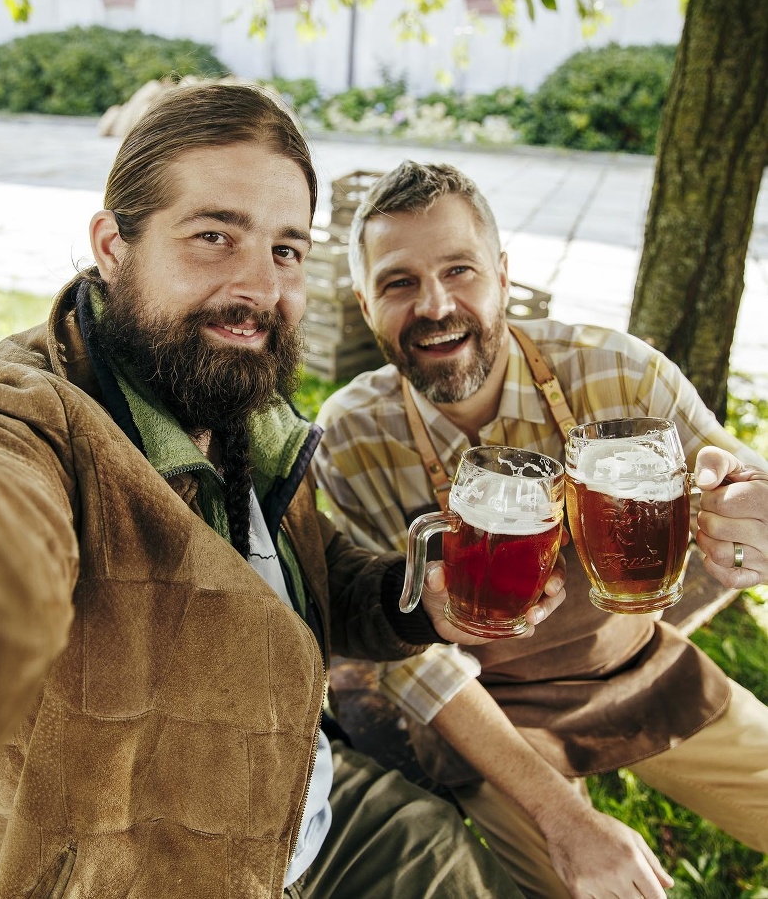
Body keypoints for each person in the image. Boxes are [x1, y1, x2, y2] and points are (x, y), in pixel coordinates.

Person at [0, 86, 554, 899]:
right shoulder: (24, 410)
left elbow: (308, 568)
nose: (258, 289)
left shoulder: (235, 399)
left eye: (284, 250)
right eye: (214, 236)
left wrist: (415, 604)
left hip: (312, 807)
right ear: (113, 246)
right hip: (162, 874)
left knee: (443, 855)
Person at [313, 160, 768, 899]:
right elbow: (413, 664)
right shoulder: (348, 438)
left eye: (459, 270)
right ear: (364, 304)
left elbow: (745, 487)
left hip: (637, 669)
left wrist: (752, 521)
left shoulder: (619, 373)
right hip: (493, 712)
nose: (435, 306)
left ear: (502, 273)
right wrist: (564, 818)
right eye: (399, 283)